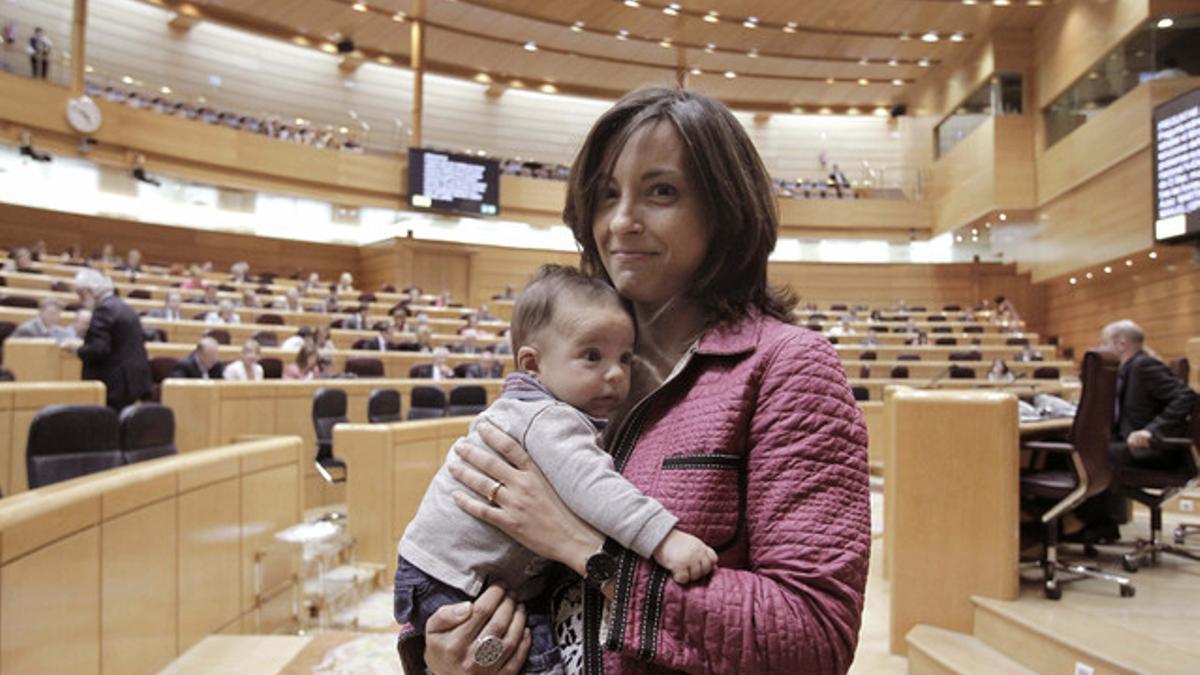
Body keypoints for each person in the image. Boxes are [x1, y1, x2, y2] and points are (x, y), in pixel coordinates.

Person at [416, 87, 869, 674]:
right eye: (607, 195)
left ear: (724, 208)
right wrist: (458, 653)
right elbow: (482, 576)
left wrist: (580, 546)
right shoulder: (566, 367)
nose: (622, 222)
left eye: (661, 192)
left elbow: (813, 637)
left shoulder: (787, 368)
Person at [395, 266, 717, 675]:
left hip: (444, 573)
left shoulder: (532, 411)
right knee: (532, 659)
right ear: (532, 363)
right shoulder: (547, 417)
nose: (616, 374)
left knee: (536, 648)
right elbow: (595, 487)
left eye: (625, 358)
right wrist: (665, 540)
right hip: (453, 577)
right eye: (592, 356)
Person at [1078, 320, 1199, 541]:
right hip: (1136, 445)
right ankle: (1098, 524)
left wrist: (1151, 431)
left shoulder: (1143, 366)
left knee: (1089, 455)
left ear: (1121, 344)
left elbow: (1187, 396)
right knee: (1096, 449)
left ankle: (1093, 525)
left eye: (1104, 342)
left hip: (1155, 450)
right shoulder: (1130, 369)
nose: (1101, 347)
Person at [68, 268, 152, 411]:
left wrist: (77, 350)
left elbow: (98, 349)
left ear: (88, 291)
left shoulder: (104, 310)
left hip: (115, 386)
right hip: (133, 383)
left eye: (80, 294)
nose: (79, 300)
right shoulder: (123, 306)